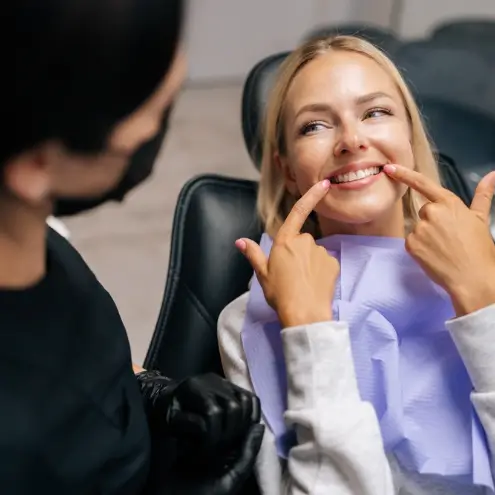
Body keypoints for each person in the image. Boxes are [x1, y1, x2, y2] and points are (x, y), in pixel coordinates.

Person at [0, 0, 264, 494]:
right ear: (36, 164)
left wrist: (152, 394)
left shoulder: (32, 242)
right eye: (151, 109)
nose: (155, 127)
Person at [218, 35, 495, 494]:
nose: (352, 140)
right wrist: (308, 331)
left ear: (409, 135)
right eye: (314, 127)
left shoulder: (489, 273)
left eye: (375, 112)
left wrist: (484, 300)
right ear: (286, 169)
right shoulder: (249, 320)